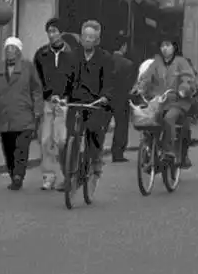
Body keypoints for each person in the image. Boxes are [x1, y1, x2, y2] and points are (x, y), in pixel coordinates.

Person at [0, 37, 43, 190]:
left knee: (21, 147)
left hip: (24, 114)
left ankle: (18, 175)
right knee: (8, 148)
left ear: (19, 52)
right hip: (4, 115)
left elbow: (37, 89)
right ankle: (13, 173)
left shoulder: (28, 67)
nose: (9, 52)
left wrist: (38, 109)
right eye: (7, 49)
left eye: (13, 49)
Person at [135, 39, 198, 168]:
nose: (164, 48)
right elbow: (147, 78)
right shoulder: (156, 63)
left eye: (168, 45)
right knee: (147, 120)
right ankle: (150, 148)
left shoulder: (181, 62)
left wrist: (183, 89)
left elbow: (188, 79)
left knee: (169, 118)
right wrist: (140, 88)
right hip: (158, 102)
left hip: (177, 102)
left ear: (174, 47)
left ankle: (169, 150)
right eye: (162, 45)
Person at [63, 20, 112, 182]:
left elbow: (108, 81)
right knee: (70, 138)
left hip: (95, 103)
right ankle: (68, 175)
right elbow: (65, 79)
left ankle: (94, 160)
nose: (88, 40)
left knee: (93, 131)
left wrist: (105, 96)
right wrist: (60, 95)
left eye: (92, 37)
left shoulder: (105, 58)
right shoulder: (72, 56)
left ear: (97, 40)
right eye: (85, 36)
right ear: (81, 37)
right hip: (76, 101)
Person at [33, 18, 70, 191]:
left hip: (64, 102)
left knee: (61, 140)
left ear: (61, 33)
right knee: (45, 140)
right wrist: (43, 95)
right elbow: (37, 79)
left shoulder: (72, 54)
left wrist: (67, 96)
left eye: (55, 31)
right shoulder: (41, 54)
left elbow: (75, 77)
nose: (51, 35)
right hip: (47, 101)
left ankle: (66, 173)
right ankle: (48, 176)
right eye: (49, 31)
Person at [107, 35, 137, 163]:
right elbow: (128, 85)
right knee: (121, 126)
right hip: (121, 98)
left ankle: (94, 152)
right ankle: (117, 153)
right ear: (123, 47)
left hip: (106, 97)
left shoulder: (105, 61)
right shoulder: (128, 64)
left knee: (101, 126)